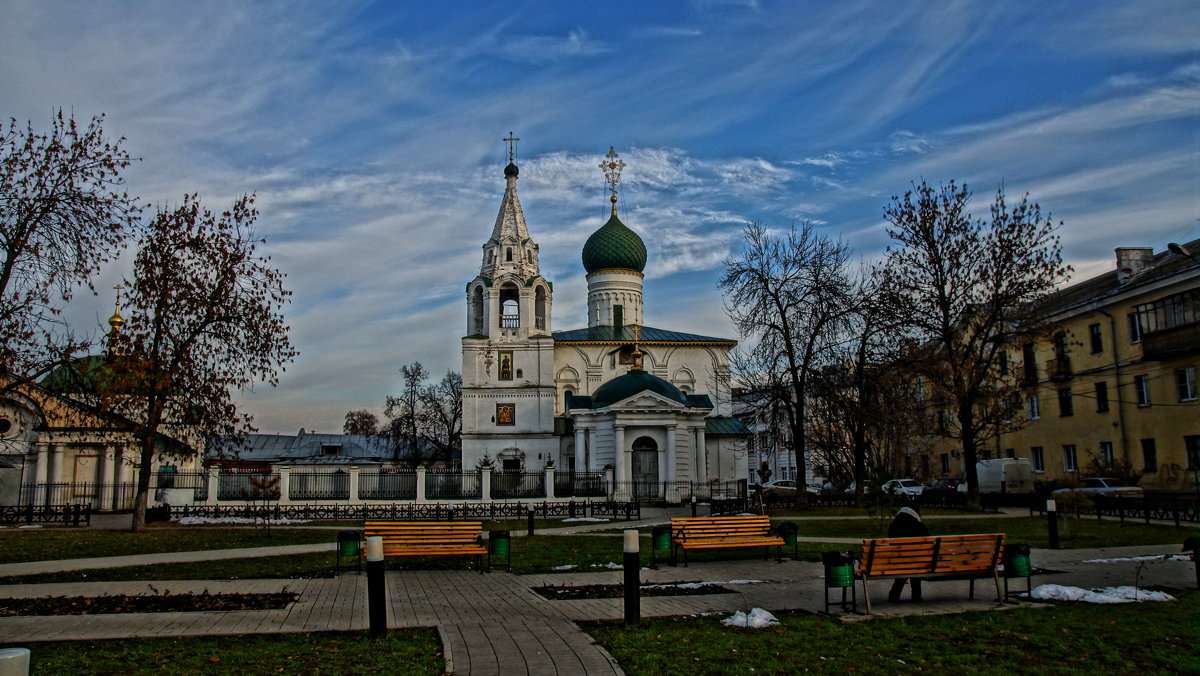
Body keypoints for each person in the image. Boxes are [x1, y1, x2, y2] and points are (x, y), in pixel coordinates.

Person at [887, 506, 930, 602]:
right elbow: (929, 544)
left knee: (905, 567)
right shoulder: (920, 526)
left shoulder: (893, 526)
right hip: (918, 563)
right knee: (915, 566)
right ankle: (916, 596)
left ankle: (894, 595)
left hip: (898, 562)